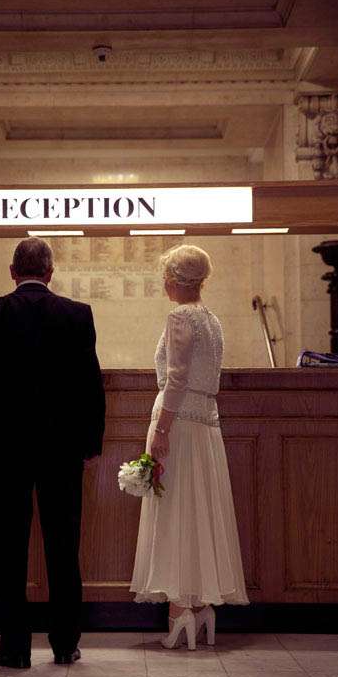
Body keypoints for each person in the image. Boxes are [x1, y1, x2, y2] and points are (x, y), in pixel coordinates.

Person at [0, 237, 105, 669]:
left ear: (12, 271)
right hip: (61, 448)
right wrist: (90, 442)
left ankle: (14, 647)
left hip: (8, 447)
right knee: (63, 544)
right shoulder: (77, 314)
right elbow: (90, 384)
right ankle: (65, 643)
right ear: (50, 272)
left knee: (8, 547)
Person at [130, 244, 248, 649]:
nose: (164, 282)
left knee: (176, 510)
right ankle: (202, 607)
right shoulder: (212, 321)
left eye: (166, 275)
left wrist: (161, 429)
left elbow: (176, 378)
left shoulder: (180, 316)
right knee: (200, 512)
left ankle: (179, 609)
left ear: (175, 281)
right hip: (206, 425)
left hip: (178, 423)